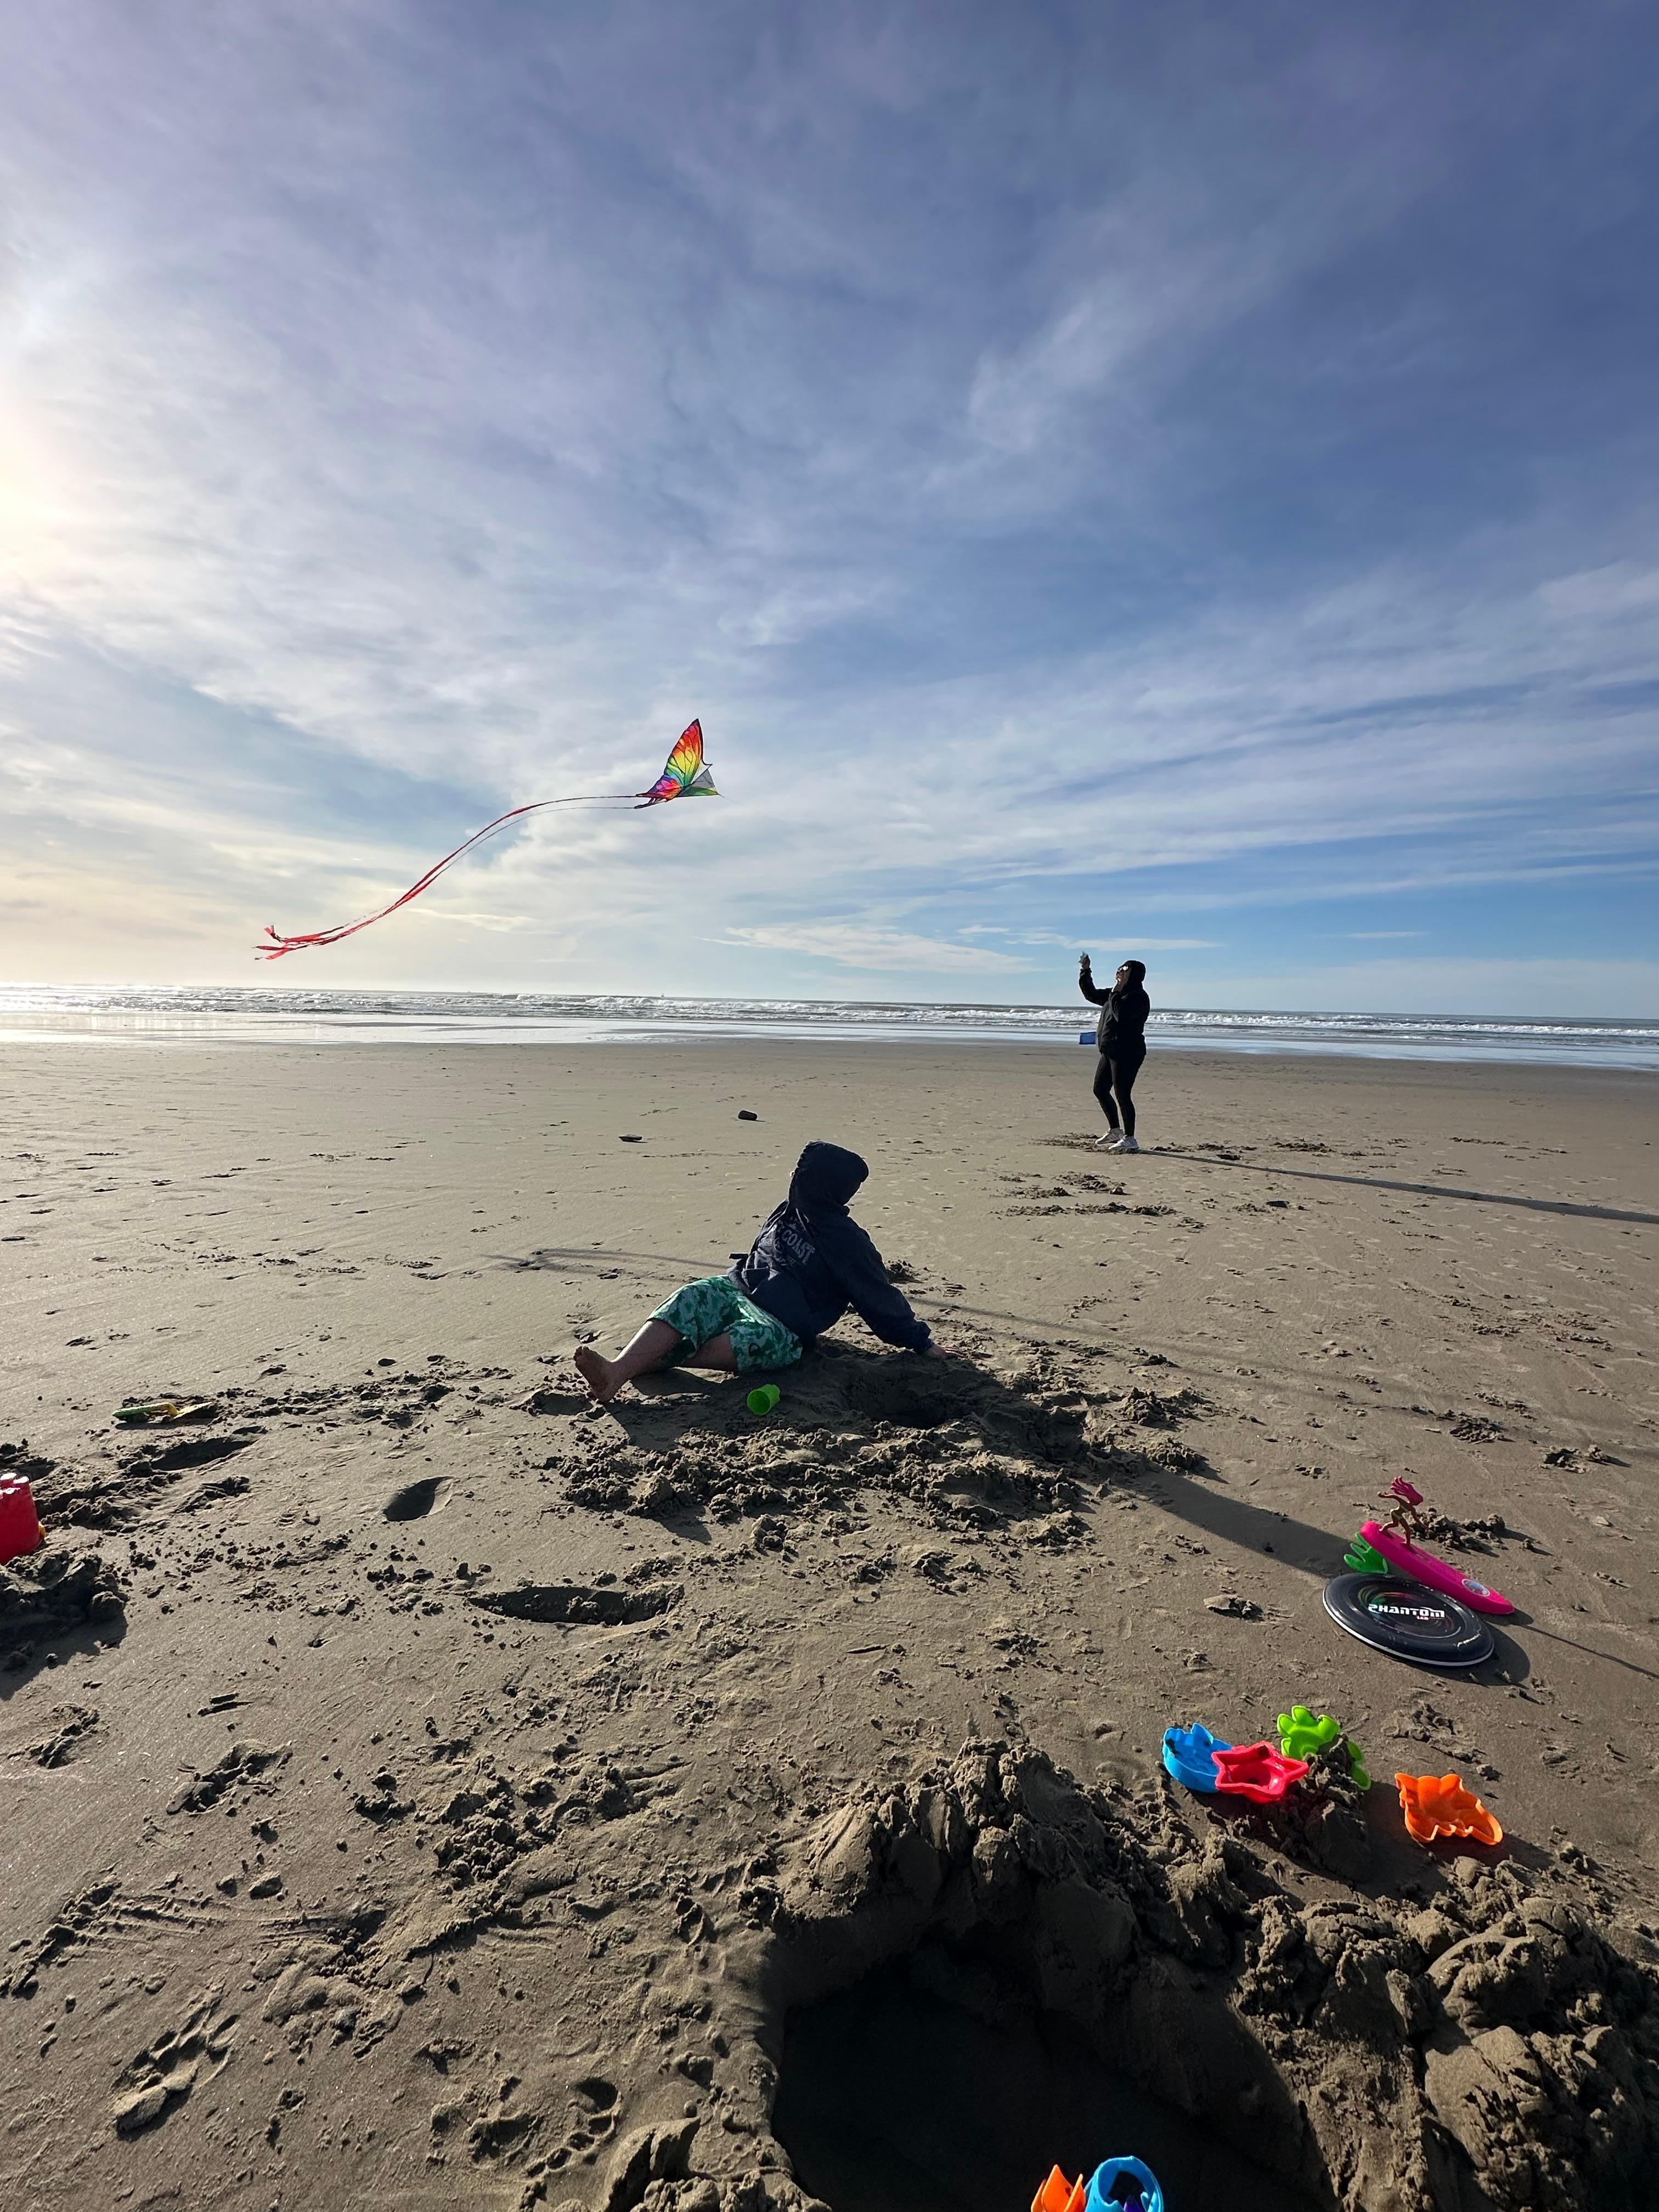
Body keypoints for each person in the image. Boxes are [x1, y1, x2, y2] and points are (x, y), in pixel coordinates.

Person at [573, 1140, 944, 1404]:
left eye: (800, 1173)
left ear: (819, 1185)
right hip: (739, 1288)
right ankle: (617, 1371)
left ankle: (653, 1359)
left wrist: (921, 1342)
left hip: (782, 1325)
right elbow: (760, 1247)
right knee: (692, 1295)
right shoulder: (789, 1208)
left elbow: (878, 1299)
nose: (792, 1176)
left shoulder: (849, 1243)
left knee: (754, 1340)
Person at [1079, 953, 1149, 1151]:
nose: (1120, 972)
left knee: (1123, 1094)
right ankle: (1115, 1130)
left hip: (1128, 1052)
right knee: (1100, 1089)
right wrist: (1085, 970)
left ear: (1134, 975)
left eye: (1125, 970)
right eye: (1120, 968)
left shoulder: (1138, 997)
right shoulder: (1114, 994)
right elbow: (1091, 994)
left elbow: (1121, 1016)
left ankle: (1130, 1138)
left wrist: (1116, 992)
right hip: (1110, 1050)